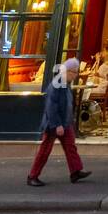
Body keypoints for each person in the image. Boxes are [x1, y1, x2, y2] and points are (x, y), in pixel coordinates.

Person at [27, 57, 92, 186]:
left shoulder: (64, 84)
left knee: (70, 147)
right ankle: (32, 176)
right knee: (45, 150)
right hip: (54, 124)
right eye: (73, 72)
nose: (75, 75)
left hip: (65, 123)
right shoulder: (57, 85)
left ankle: (76, 171)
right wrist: (57, 124)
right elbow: (51, 106)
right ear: (66, 71)